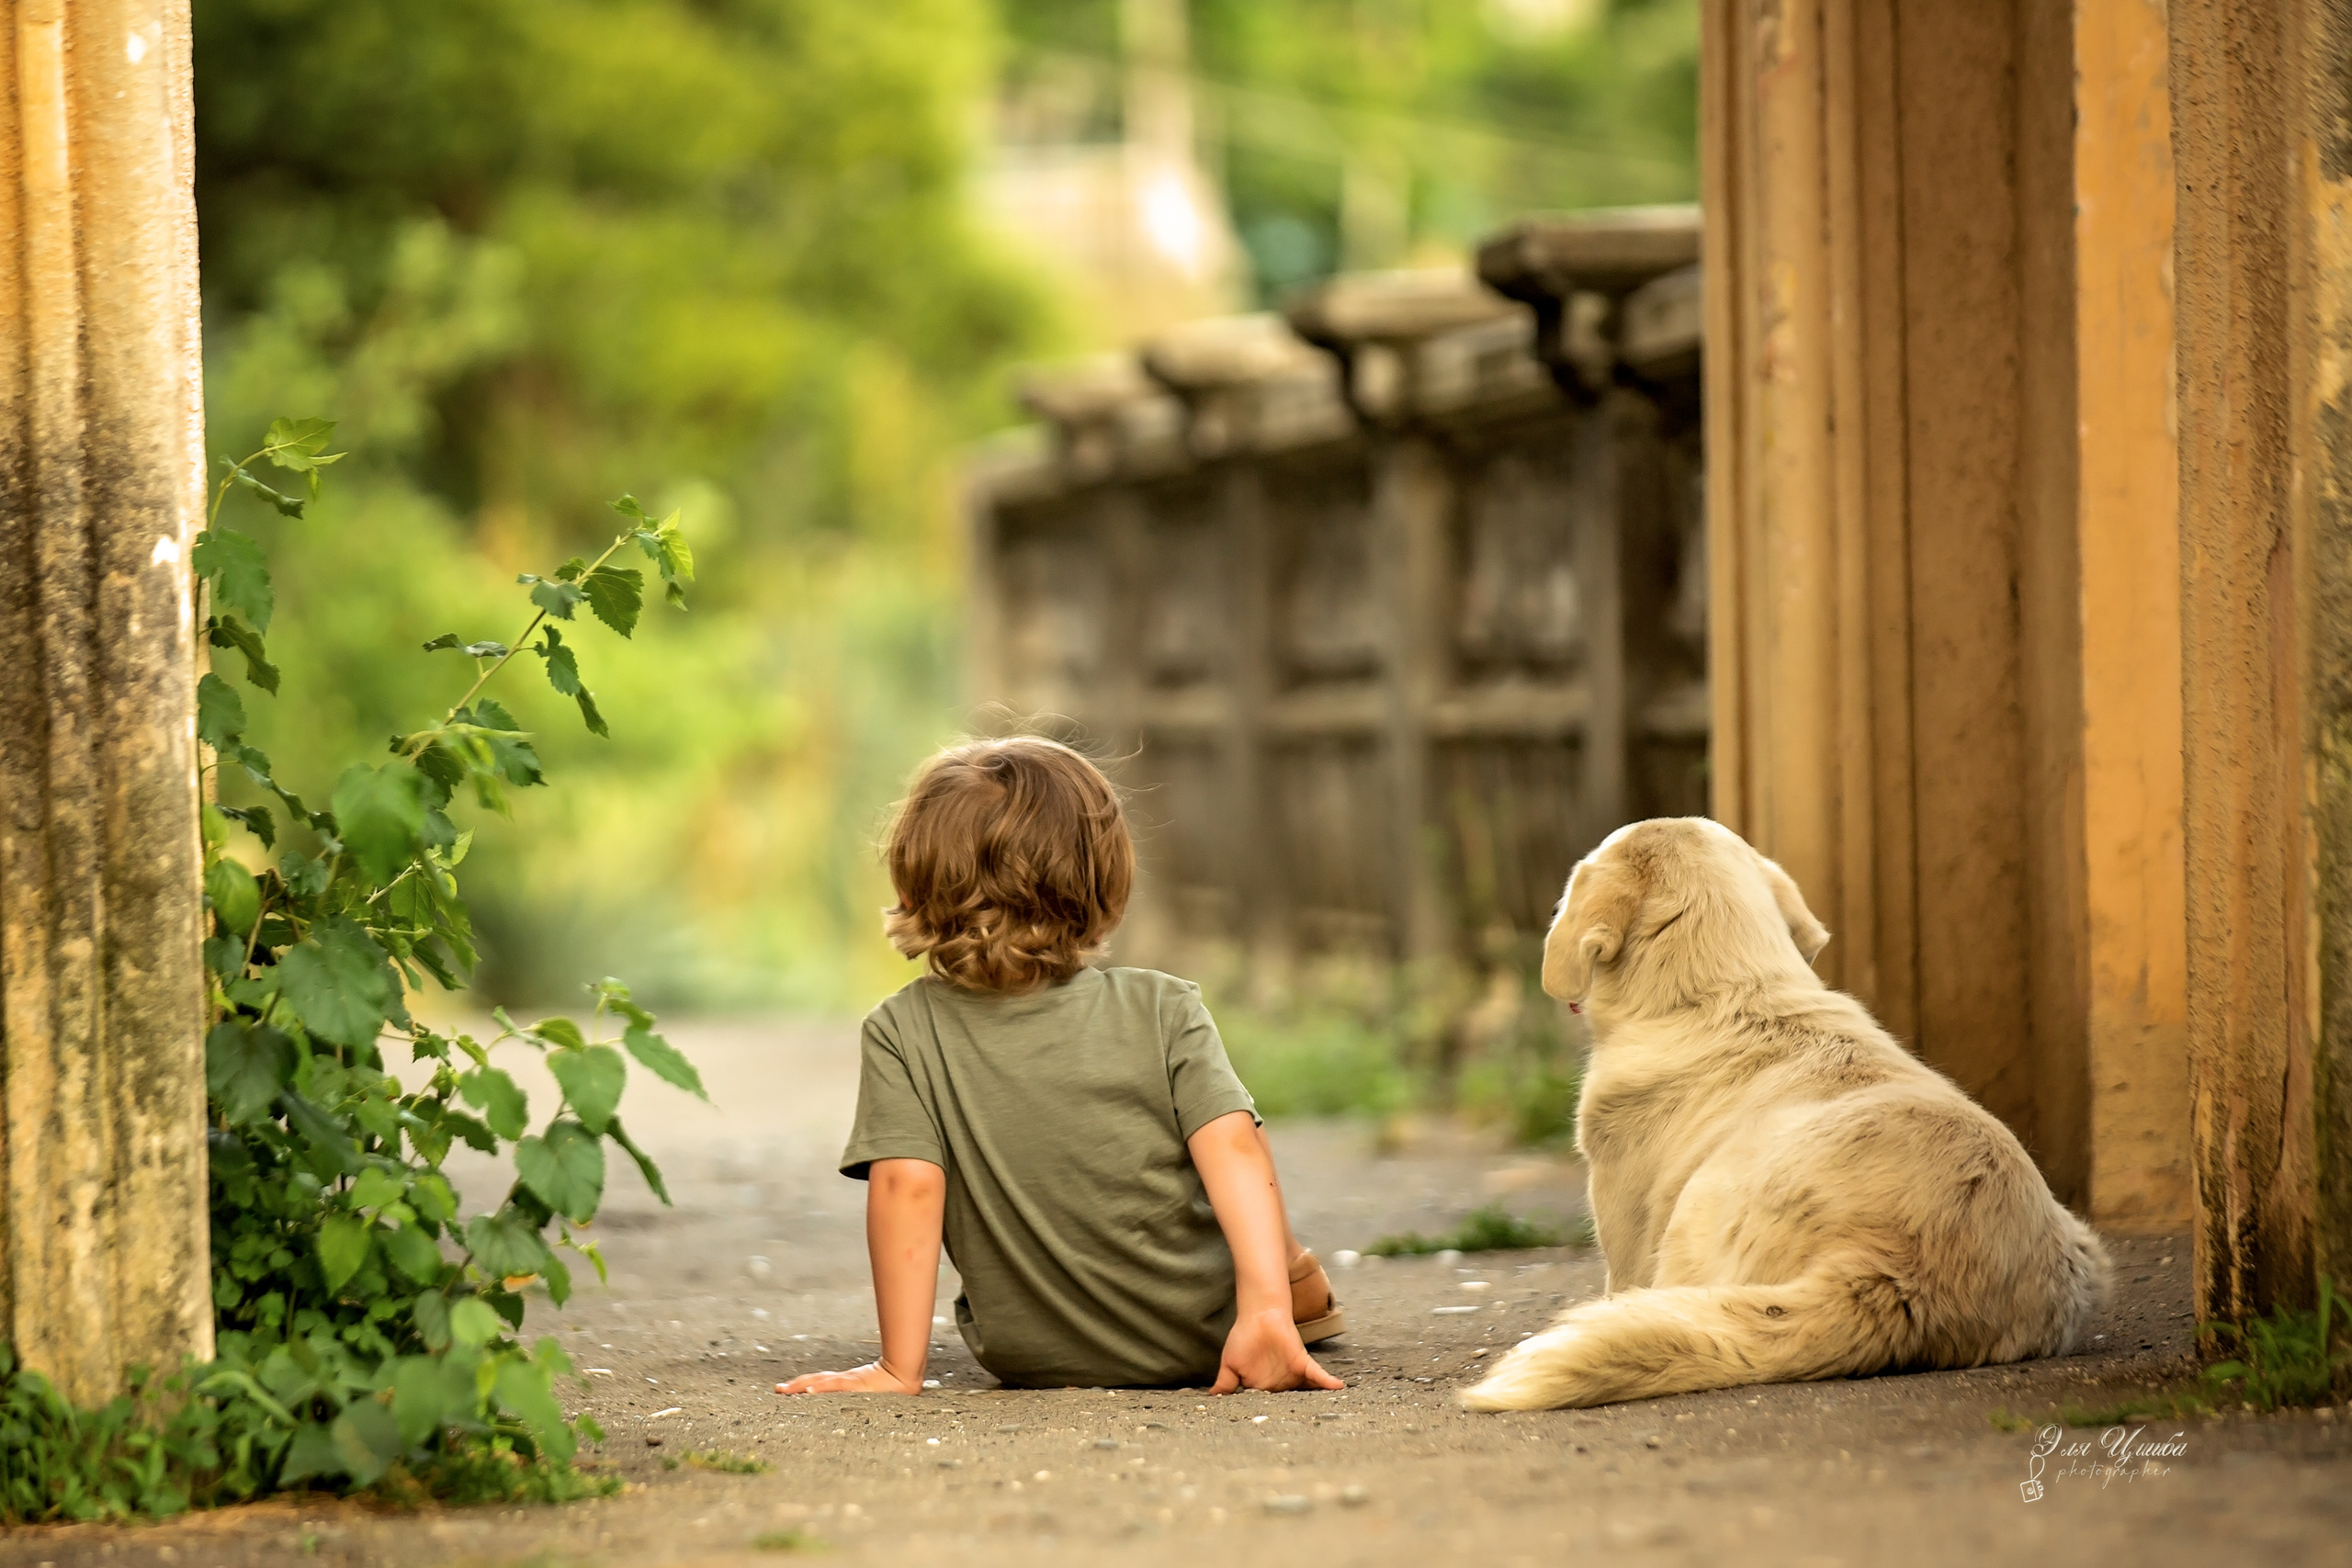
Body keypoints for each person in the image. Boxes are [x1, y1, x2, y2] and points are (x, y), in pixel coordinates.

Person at [775, 735, 1345, 1395]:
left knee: (1223, 1119)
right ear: (1104, 879)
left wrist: (898, 1369)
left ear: (913, 880)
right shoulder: (1163, 1008)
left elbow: (908, 1185)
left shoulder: (901, 1029)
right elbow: (1233, 1151)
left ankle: (1285, 1283)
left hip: (1028, 1354)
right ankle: (1281, 1288)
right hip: (1208, 1335)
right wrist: (1263, 1310)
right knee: (1232, 1126)